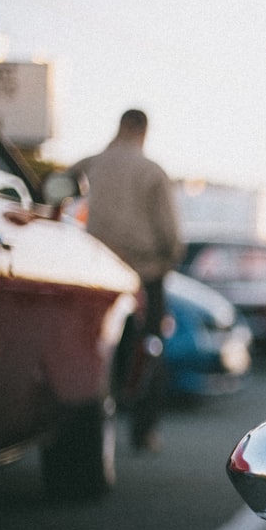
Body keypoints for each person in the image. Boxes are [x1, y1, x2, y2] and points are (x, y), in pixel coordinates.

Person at [71, 109, 183, 451]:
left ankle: (86, 425)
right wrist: (168, 261)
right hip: (143, 274)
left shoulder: (92, 164)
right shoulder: (152, 171)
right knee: (151, 348)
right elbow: (169, 232)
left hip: (98, 271)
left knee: (90, 350)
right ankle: (143, 433)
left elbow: (61, 183)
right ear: (144, 131)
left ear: (120, 126)